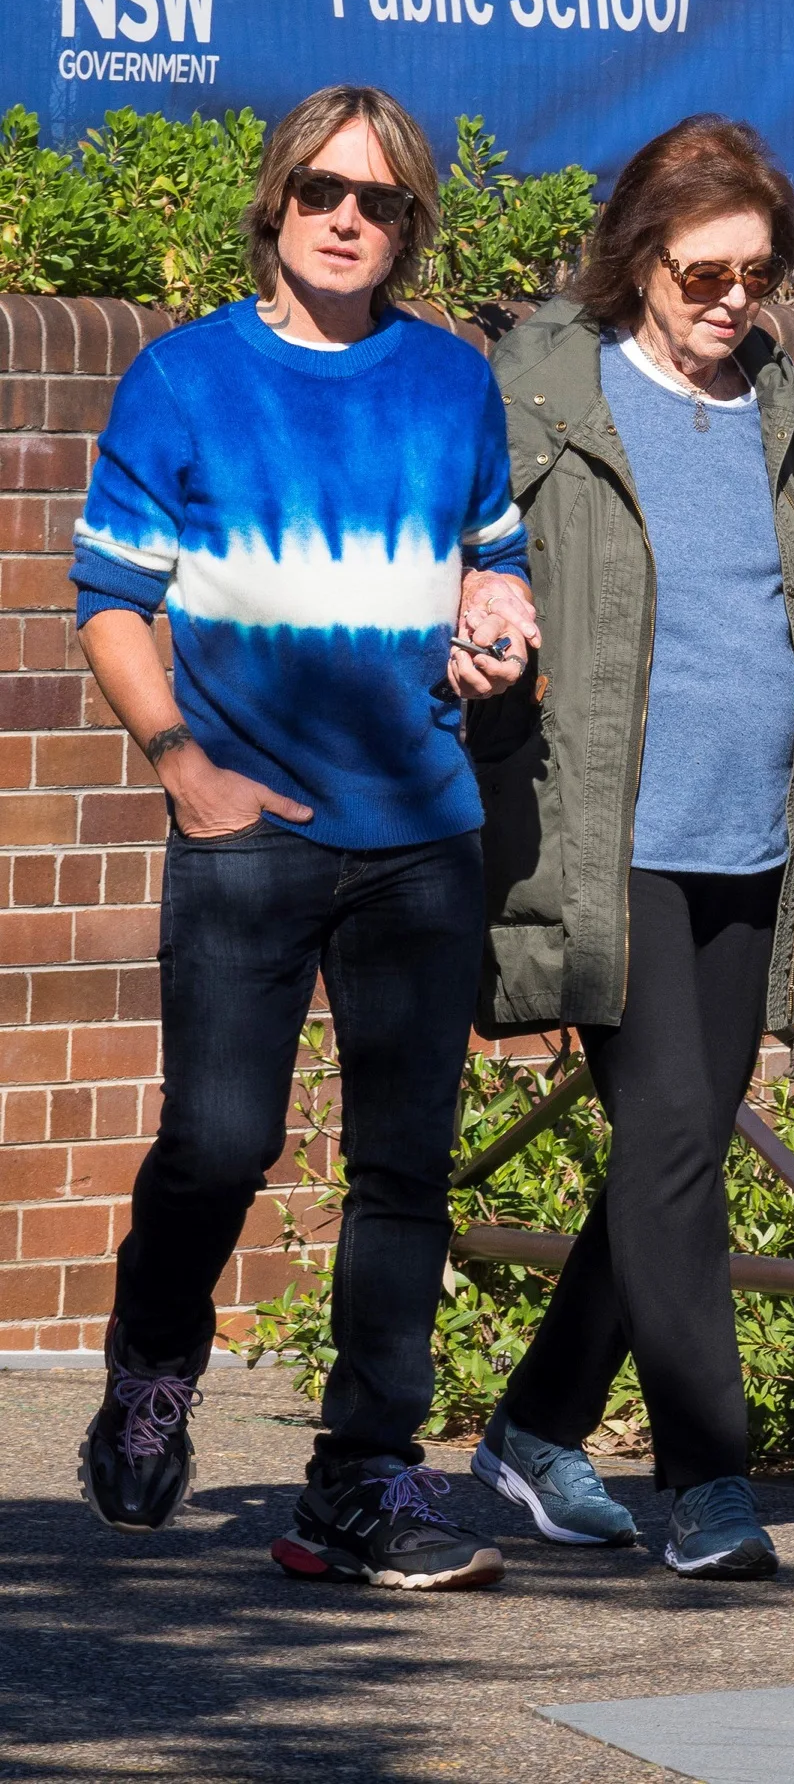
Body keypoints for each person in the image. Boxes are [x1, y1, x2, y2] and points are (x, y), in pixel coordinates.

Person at [71, 84, 538, 1591]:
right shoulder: (185, 377)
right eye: (324, 191)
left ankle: (361, 1479)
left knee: (405, 1167)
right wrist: (181, 766)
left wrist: (496, 623)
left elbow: (495, 564)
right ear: (276, 204)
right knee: (221, 1142)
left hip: (422, 832)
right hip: (247, 828)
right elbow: (111, 603)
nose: (349, 219)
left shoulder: (454, 382)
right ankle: (153, 1365)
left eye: (381, 200)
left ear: (410, 225)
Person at [457, 115, 794, 1580]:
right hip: (606, 831)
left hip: (755, 835)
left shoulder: (781, 406)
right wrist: (471, 608)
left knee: (673, 1150)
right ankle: (709, 1479)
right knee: (676, 1134)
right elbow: (458, 542)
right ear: (639, 260)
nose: (733, 301)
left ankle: (536, 1426)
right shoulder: (546, 391)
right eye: (703, 275)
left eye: (757, 275)